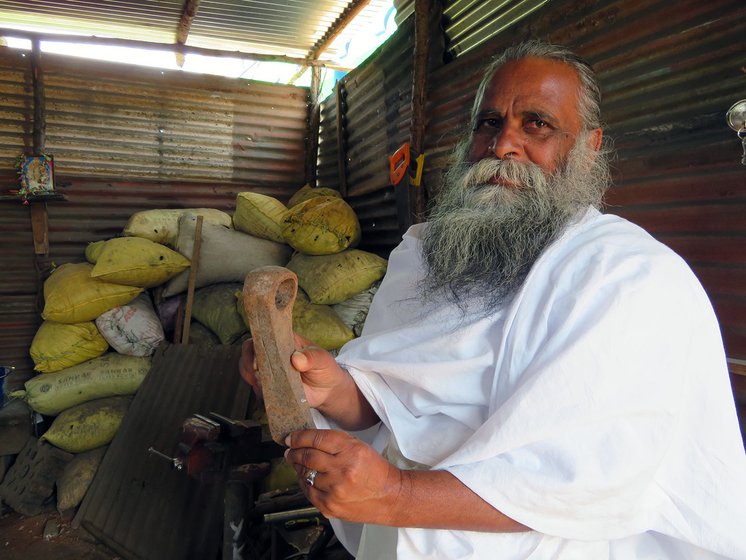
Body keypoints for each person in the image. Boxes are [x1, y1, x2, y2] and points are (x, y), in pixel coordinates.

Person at [240, 40, 746, 559]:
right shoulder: (428, 254)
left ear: (589, 147)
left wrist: (395, 495)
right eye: (488, 122)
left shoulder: (629, 276)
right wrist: (333, 388)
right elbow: (399, 409)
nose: (504, 144)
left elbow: (588, 475)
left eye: (537, 125)